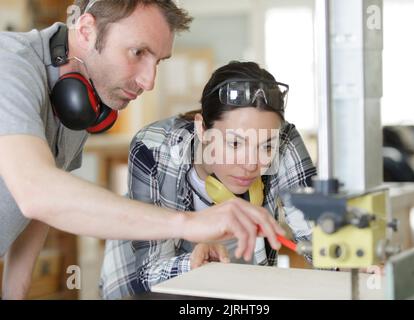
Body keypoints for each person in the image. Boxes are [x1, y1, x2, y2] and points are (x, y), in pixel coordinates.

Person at [0, 1, 284, 300]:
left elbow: (41, 211)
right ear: (85, 30)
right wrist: (188, 223)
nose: (149, 81)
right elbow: (37, 192)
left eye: (158, 61)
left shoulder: (79, 102)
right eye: (138, 52)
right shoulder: (9, 65)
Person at [100, 61, 317, 299]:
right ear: (202, 128)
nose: (250, 164)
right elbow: (149, 272)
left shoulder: (284, 139)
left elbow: (319, 237)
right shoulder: (154, 148)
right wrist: (193, 262)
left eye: (266, 147)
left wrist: (352, 260)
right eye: (234, 144)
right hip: (155, 281)